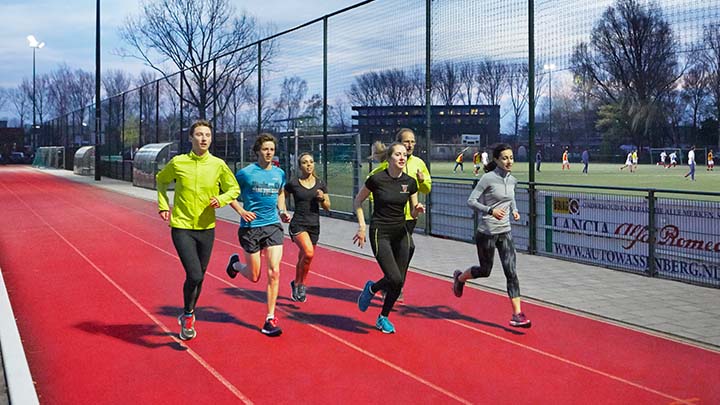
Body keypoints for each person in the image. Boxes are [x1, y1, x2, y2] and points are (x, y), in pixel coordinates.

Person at [156, 120, 240, 341]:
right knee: (193, 273)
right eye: (199, 134)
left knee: (199, 277)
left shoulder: (218, 165)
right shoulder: (178, 162)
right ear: (191, 138)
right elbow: (161, 180)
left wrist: (221, 199)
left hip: (207, 228)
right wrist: (164, 205)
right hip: (182, 226)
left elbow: (234, 189)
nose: (204, 138)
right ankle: (188, 314)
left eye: (207, 135)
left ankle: (188, 315)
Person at [452, 143, 531, 328]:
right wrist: (490, 210)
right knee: (485, 271)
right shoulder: (488, 179)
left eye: (511, 157)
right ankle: (460, 278)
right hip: (486, 232)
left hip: (505, 232)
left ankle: (517, 314)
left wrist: (515, 210)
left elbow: (510, 197)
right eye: (504, 158)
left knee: (511, 271)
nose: (509, 161)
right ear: (496, 160)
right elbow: (471, 201)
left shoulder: (513, 180)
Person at [354, 141, 425, 334]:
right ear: (390, 158)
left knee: (399, 281)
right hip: (381, 232)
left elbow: (413, 210)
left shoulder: (410, 182)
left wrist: (417, 210)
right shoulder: (376, 179)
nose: (402, 158)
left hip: (401, 232)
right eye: (398, 155)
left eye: (404, 155)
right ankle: (372, 288)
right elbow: (358, 201)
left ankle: (382, 316)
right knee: (393, 277)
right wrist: (362, 226)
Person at [226, 133, 290, 337]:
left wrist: (282, 211)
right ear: (257, 152)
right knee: (255, 276)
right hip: (251, 227)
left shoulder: (279, 173)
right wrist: (241, 211)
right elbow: (229, 193)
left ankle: (270, 318)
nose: (269, 152)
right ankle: (235, 265)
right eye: (265, 149)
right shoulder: (246, 174)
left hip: (272, 225)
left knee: (274, 271)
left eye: (272, 149)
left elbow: (280, 192)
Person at [367, 128, 432, 302]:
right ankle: (394, 284)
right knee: (398, 250)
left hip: (409, 217)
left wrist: (421, 180)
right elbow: (373, 184)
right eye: (406, 141)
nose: (410, 145)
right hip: (388, 218)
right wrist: (379, 202)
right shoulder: (388, 164)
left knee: (407, 250)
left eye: (412, 142)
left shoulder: (419, 163)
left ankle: (395, 284)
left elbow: (427, 188)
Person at [284, 152, 331, 303]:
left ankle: (297, 283)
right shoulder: (293, 183)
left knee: (305, 258)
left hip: (314, 225)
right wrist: (283, 211)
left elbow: (328, 207)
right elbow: (280, 196)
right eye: (305, 162)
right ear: (300, 166)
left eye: (311, 162)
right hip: (298, 223)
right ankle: (301, 284)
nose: (309, 164)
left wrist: (322, 198)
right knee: (308, 253)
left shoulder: (320, 183)